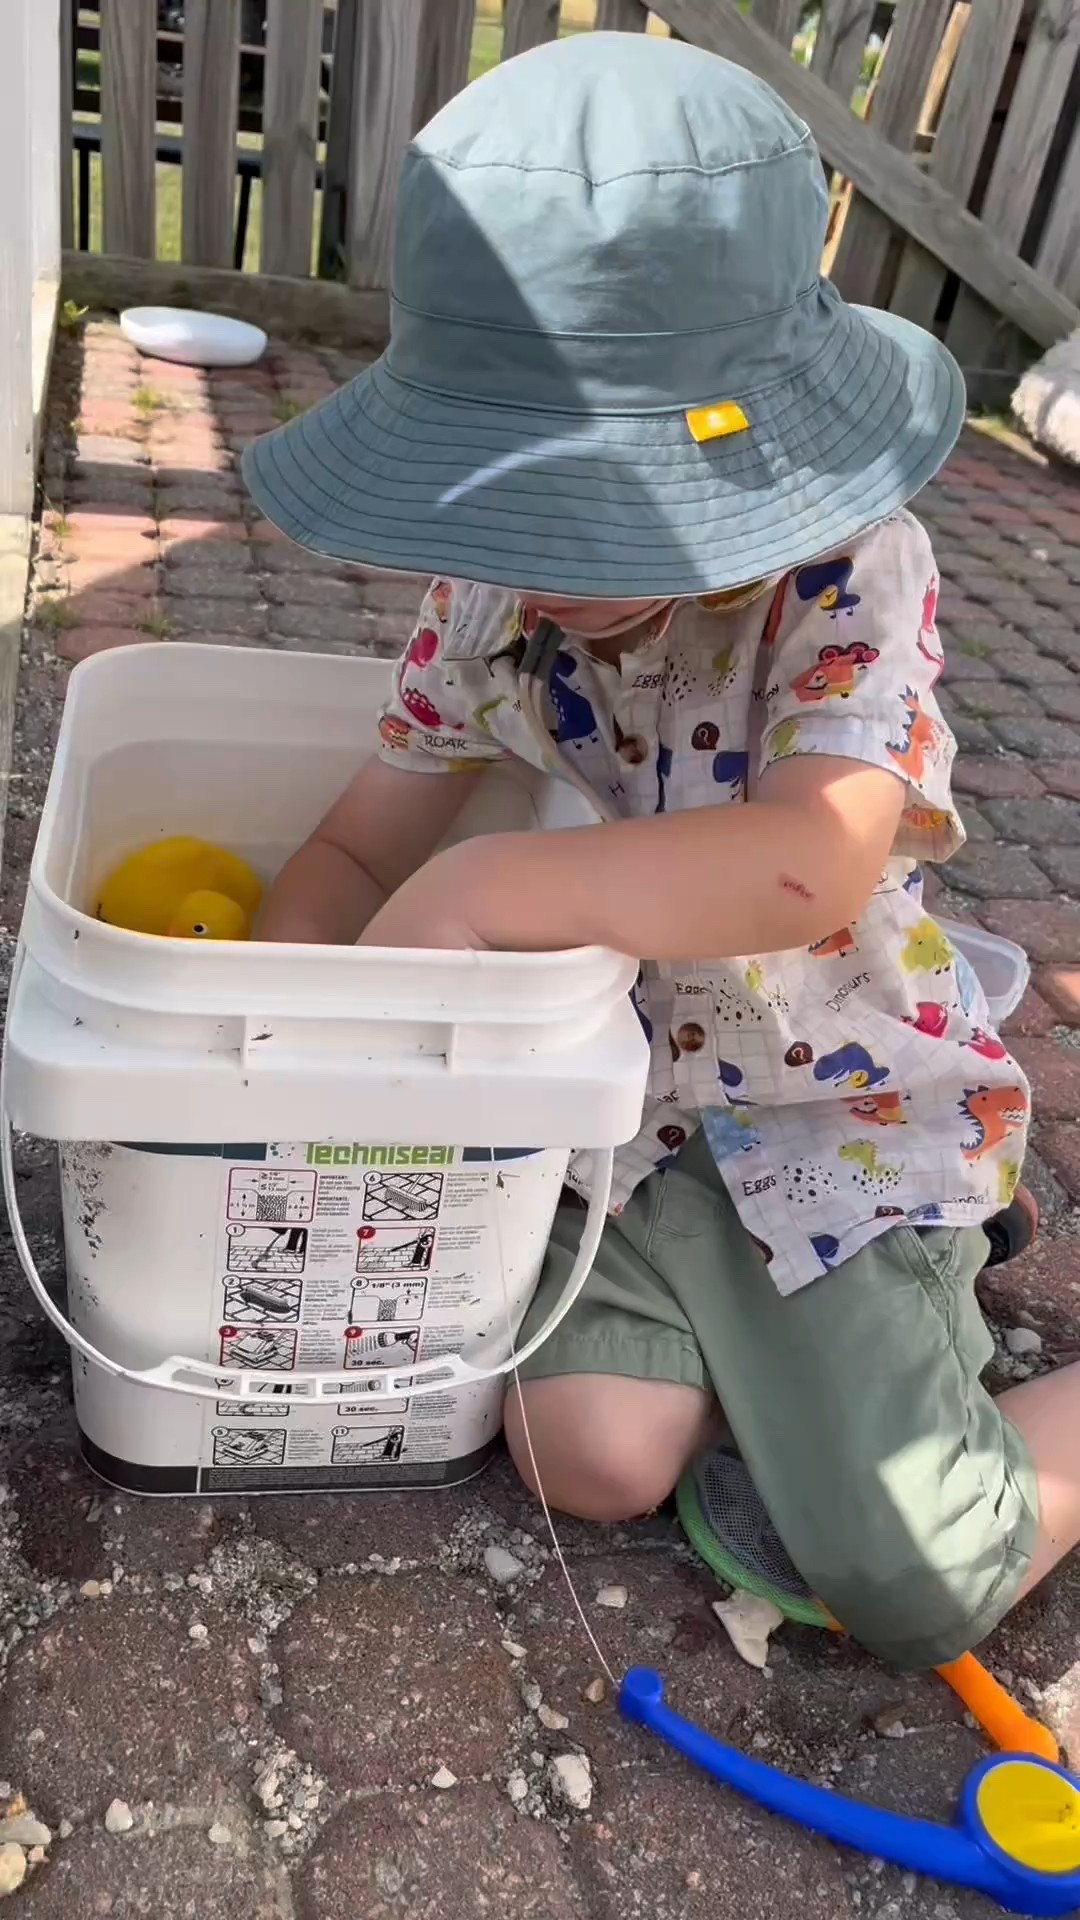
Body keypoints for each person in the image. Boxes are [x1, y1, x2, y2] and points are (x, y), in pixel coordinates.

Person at [244, 33, 1080, 1671]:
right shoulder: (492, 595)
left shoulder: (845, 573)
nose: (543, 565)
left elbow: (811, 863)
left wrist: (485, 889)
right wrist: (269, 1047)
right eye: (511, 504)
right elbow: (353, 843)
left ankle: (921, 1280)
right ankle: (791, 1355)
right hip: (625, 1121)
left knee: (914, 1577)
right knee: (588, 1454)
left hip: (828, 1109)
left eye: (598, 510)